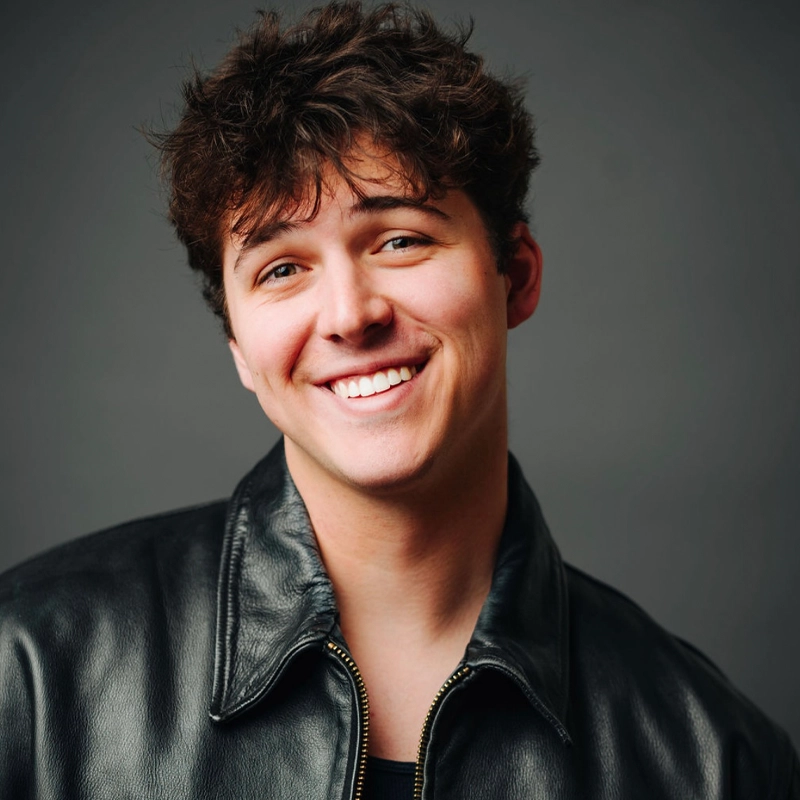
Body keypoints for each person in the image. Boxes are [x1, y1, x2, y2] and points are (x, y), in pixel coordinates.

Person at [0, 2, 797, 798]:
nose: (350, 316)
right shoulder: (30, 670)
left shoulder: (712, 759)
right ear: (239, 348)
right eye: (281, 268)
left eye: (400, 239)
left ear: (514, 275)